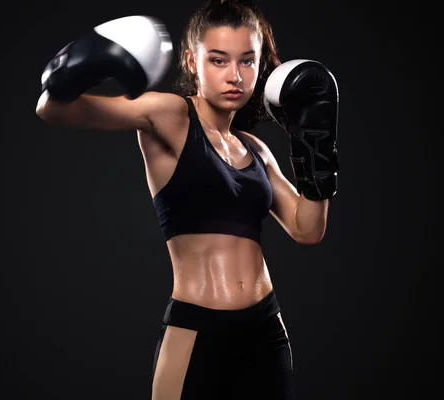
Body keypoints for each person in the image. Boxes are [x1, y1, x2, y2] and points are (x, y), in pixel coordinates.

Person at [35, 0, 339, 398]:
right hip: (198, 330)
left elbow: (307, 229)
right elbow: (54, 109)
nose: (235, 76)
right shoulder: (170, 115)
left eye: (247, 61)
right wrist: (84, 60)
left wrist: (316, 141)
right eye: (218, 60)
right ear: (192, 62)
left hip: (266, 328)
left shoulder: (256, 149)